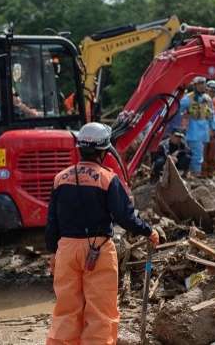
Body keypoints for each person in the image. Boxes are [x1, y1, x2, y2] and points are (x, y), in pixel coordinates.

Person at [45, 122, 160, 344]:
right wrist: (149, 231)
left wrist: (53, 252)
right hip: (97, 249)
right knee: (100, 312)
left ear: (79, 148)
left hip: (66, 249)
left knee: (66, 310)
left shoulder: (61, 178)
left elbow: (52, 221)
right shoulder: (108, 179)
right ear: (105, 151)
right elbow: (125, 218)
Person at [180, 77, 215, 176]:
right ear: (195, 85)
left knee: (200, 154)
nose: (202, 86)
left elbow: (211, 114)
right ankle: (195, 174)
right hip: (193, 130)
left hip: (204, 131)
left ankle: (194, 172)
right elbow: (178, 109)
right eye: (199, 84)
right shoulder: (188, 98)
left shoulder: (207, 98)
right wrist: (184, 116)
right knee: (197, 154)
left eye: (203, 84)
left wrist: (214, 128)